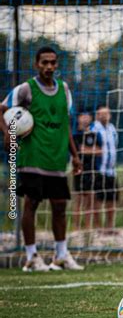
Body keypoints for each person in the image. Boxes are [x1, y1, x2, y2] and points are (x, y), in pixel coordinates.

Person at [0, 46, 84, 271]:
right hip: (32, 156)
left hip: (56, 158)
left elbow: (65, 125)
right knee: (32, 203)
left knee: (59, 206)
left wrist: (75, 156)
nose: (49, 66)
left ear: (57, 65)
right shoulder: (26, 89)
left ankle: (61, 255)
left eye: (52, 63)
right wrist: (7, 131)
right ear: (37, 64)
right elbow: (1, 109)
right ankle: (32, 256)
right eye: (44, 62)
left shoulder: (64, 90)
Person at [91, 105, 119, 233]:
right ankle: (98, 227)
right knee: (97, 200)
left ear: (110, 115)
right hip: (99, 170)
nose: (104, 116)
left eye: (106, 113)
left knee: (111, 200)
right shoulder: (94, 128)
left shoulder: (112, 128)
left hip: (112, 171)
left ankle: (110, 227)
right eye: (101, 113)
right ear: (97, 115)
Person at [72, 111, 102, 230]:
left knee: (91, 200)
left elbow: (100, 151)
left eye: (87, 116)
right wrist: (91, 150)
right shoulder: (75, 136)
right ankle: (76, 228)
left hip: (92, 170)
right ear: (78, 118)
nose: (85, 119)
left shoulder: (94, 135)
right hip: (79, 169)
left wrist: (87, 149)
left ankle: (88, 228)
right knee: (79, 200)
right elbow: (79, 151)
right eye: (83, 116)